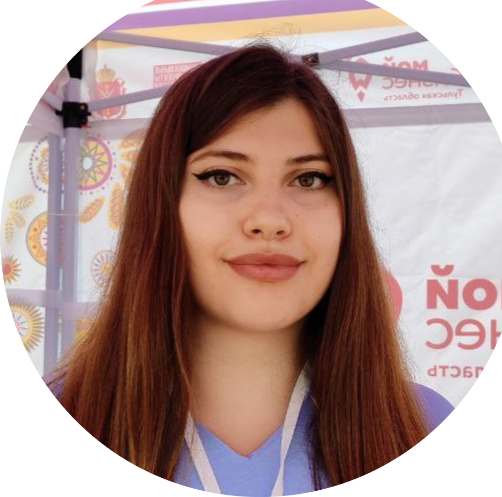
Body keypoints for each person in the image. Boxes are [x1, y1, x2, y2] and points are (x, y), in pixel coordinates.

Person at [44, 41, 454, 495]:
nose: (270, 220)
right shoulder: (50, 422)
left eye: (309, 179)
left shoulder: (425, 429)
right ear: (160, 203)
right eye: (221, 176)